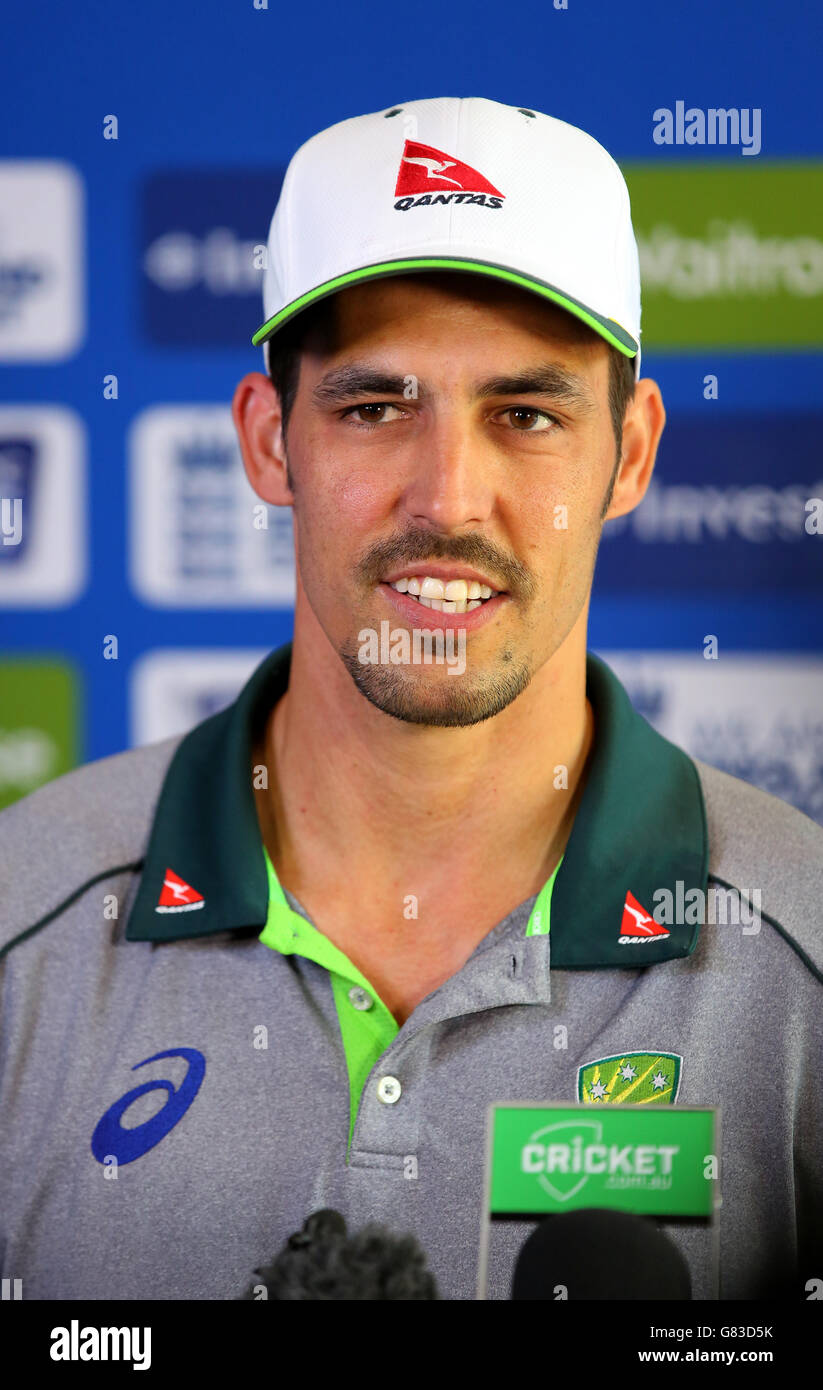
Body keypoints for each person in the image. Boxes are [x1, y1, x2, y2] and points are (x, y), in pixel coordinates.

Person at [0, 97, 820, 1301]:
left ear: (630, 454)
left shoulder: (797, 959)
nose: (447, 497)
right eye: (375, 407)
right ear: (272, 443)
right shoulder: (25, 933)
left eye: (525, 414)